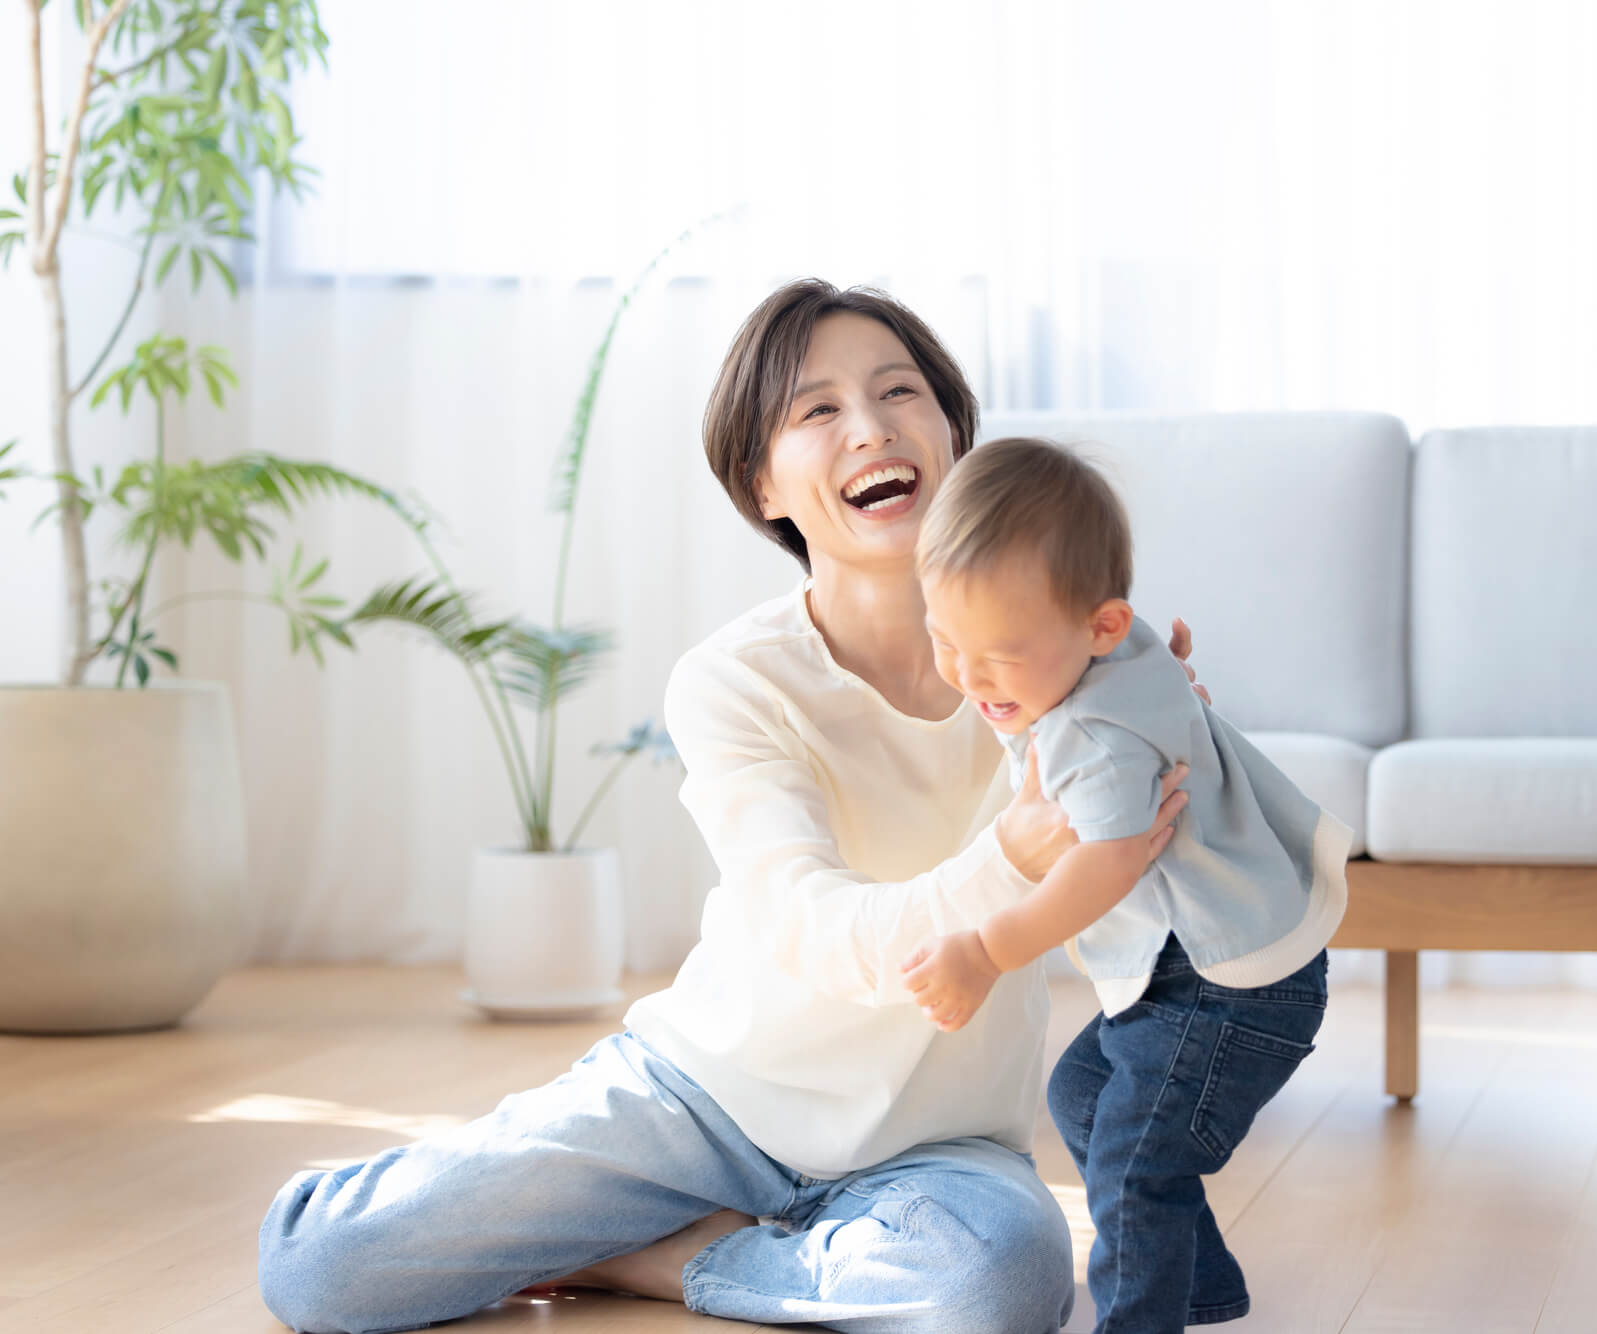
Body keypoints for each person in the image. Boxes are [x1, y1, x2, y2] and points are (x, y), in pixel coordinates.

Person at [256, 279, 1205, 1334]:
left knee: (997, 1287)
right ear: (762, 486)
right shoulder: (734, 679)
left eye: (900, 392)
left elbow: (1137, 908)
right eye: (818, 409)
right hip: (701, 1099)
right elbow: (818, 929)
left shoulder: (1068, 664)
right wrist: (1014, 854)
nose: (872, 425)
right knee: (323, 1265)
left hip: (939, 1146)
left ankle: (666, 1257)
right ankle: (733, 1239)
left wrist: (1168, 766)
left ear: (951, 434)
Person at [901, 437, 1351, 1331]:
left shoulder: (1098, 737)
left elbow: (1104, 866)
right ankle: (1196, 1284)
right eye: (945, 640)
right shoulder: (1113, 650)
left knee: (1134, 1163)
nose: (969, 675)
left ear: (1101, 626)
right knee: (1081, 1096)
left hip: (1227, 991)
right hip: (1188, 970)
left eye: (999, 653)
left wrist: (986, 951)